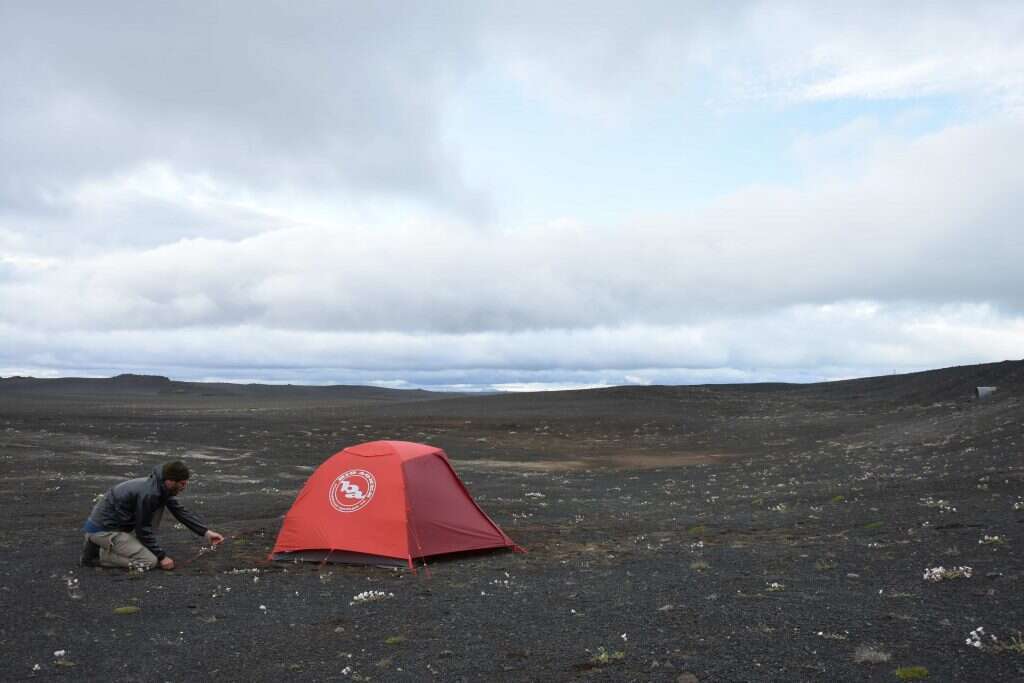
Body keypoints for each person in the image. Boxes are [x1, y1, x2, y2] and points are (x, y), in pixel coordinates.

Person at [80, 460, 224, 570]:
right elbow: (142, 527)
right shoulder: (150, 494)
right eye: (182, 484)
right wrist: (161, 557)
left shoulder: (160, 486)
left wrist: (206, 533)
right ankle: (100, 556)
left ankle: (110, 546)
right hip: (103, 530)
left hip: (114, 525)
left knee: (158, 513)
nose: (184, 488)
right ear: (170, 481)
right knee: (149, 562)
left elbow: (180, 512)